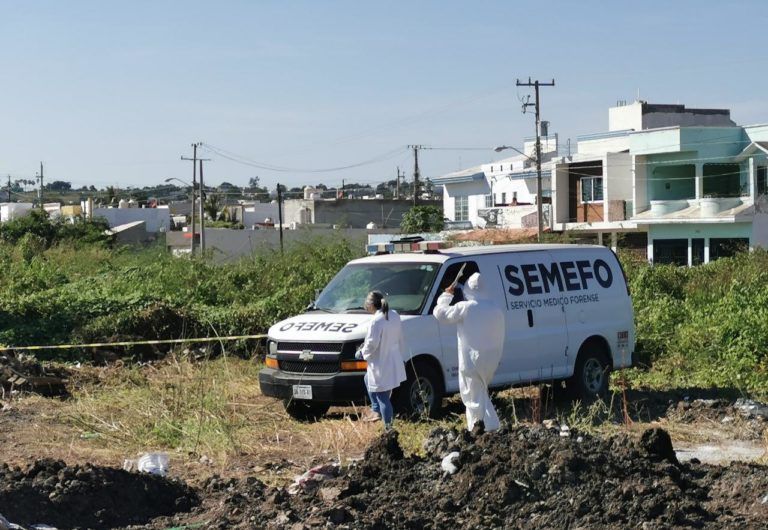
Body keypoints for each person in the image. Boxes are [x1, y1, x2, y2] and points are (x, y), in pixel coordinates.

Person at [432, 272, 505, 431]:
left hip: (471, 361)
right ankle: (485, 427)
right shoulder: (495, 308)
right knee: (480, 394)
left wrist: (445, 296)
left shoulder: (466, 307)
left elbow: (440, 314)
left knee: (472, 397)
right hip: (490, 360)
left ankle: (483, 428)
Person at [356, 290, 407, 430]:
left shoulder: (376, 321)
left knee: (382, 395)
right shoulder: (394, 315)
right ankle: (376, 409)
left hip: (381, 362)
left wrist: (361, 352)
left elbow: (372, 344)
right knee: (367, 379)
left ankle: (388, 428)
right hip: (393, 359)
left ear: (371, 305)